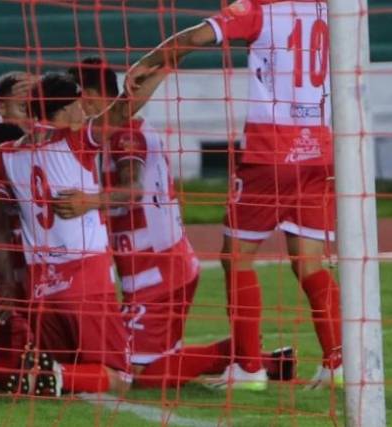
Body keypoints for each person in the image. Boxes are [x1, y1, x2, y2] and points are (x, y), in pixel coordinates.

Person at [134, 0, 342, 390]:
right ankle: (338, 362)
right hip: (321, 151)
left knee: (236, 257)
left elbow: (197, 35)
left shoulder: (259, 10)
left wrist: (149, 61)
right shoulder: (331, 11)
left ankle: (248, 368)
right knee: (310, 264)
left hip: (270, 151)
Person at [69, 57, 296, 389]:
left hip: (158, 273)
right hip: (154, 269)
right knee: (140, 362)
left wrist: (86, 202)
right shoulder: (115, 133)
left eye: (73, 101)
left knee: (136, 374)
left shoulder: (124, 135)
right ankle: (258, 358)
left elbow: (131, 191)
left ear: (88, 96)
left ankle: (239, 352)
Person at [0, 65, 167, 396]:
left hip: (40, 288)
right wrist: (166, 63)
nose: (84, 109)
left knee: (68, 377)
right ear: (66, 108)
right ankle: (46, 375)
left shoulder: (3, 155)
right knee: (118, 379)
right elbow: (127, 106)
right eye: (79, 103)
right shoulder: (79, 140)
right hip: (85, 279)